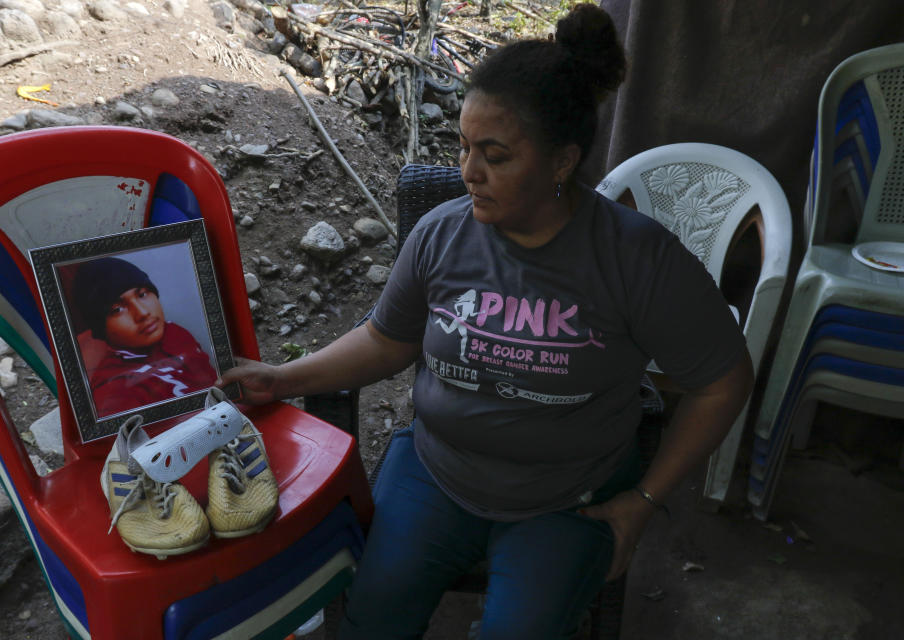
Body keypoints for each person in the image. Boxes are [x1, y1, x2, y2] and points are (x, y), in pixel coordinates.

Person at [218, 4, 753, 638]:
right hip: (437, 470)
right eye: (465, 146)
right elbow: (386, 340)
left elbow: (723, 381)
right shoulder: (442, 235)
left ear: (561, 162)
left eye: (495, 155)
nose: (469, 171)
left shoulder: (637, 258)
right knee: (373, 620)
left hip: (566, 498)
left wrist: (643, 502)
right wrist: (283, 378)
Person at [71, 256, 218, 418]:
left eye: (142, 294)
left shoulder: (174, 332)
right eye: (117, 309)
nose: (143, 313)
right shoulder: (114, 391)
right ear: (100, 327)